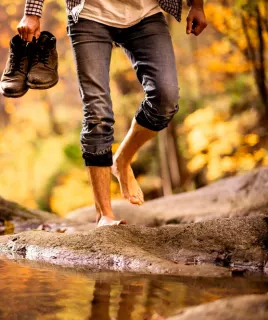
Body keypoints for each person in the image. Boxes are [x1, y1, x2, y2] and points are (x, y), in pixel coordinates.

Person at [17, 0, 207, 226]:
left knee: (165, 98)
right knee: (97, 113)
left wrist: (197, 5)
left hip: (145, 13)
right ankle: (104, 215)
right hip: (90, 13)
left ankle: (122, 160)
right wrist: (32, 13)